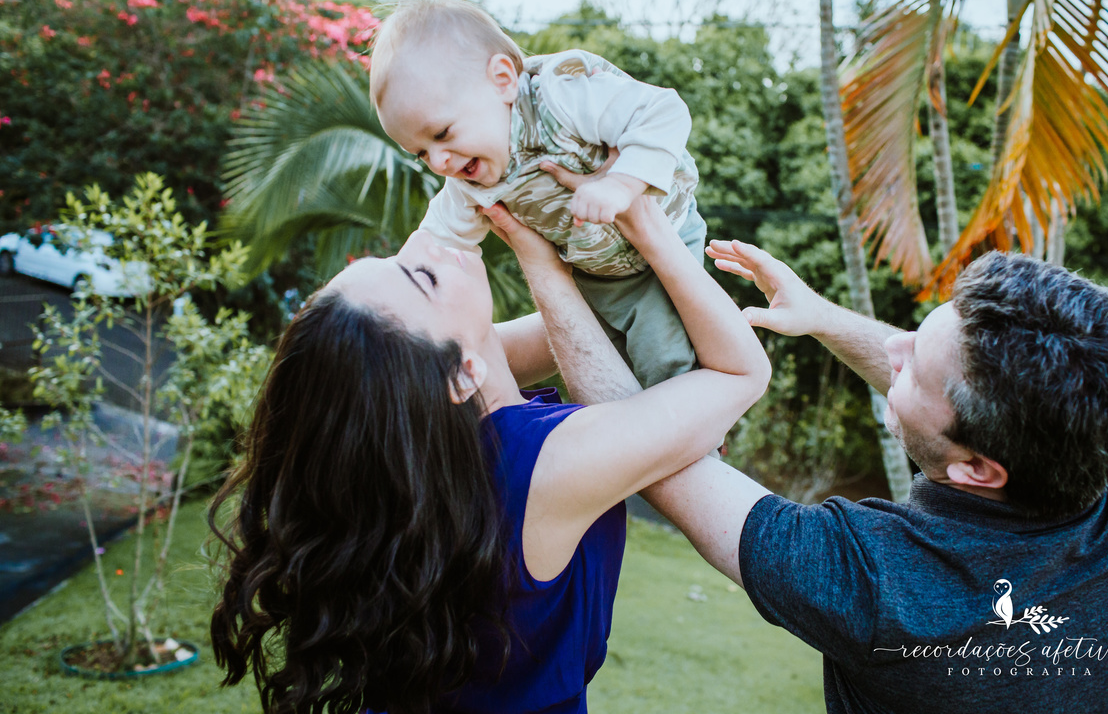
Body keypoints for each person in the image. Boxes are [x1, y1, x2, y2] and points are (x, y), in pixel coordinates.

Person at [502, 159, 1108, 714]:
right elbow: (960, 391)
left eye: (914, 368)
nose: (895, 352)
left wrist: (540, 260)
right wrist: (824, 317)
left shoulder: (884, 590)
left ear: (980, 469)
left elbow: (640, 447)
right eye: (919, 329)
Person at [207, 193, 770, 714]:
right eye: (420, 275)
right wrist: (642, 228)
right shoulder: (547, 466)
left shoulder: (431, 427)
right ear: (459, 374)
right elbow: (742, 372)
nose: (427, 245)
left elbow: (584, 328)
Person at [368, 0, 706, 390]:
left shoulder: (560, 98)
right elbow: (433, 244)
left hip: (664, 237)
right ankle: (644, 442)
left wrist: (621, 184)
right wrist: (390, 300)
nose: (440, 162)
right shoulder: (466, 182)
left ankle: (700, 443)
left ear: (503, 81)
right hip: (597, 271)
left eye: (442, 133)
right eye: (421, 152)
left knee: (665, 355)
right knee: (605, 368)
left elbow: (662, 110)